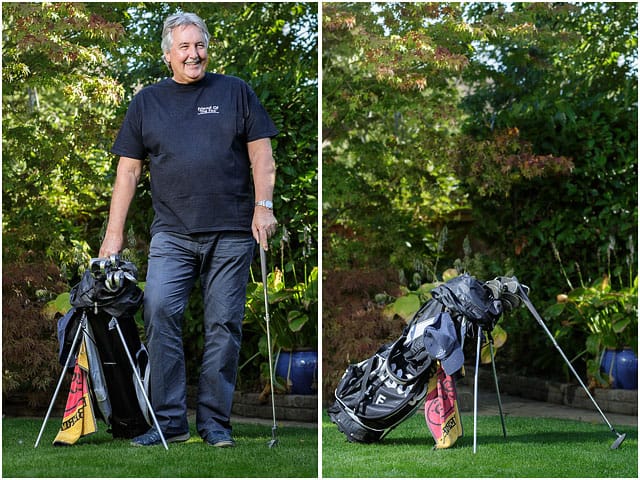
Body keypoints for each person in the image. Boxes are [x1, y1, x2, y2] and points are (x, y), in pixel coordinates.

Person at [99, 11, 279, 447]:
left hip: (233, 233)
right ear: (168, 56)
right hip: (172, 234)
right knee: (159, 312)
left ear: (207, 48)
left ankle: (215, 424)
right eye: (184, 47)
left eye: (199, 45)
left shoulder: (235, 91)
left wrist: (263, 207)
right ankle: (169, 424)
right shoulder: (147, 102)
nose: (193, 54)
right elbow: (128, 172)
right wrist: (114, 235)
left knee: (224, 326)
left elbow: (262, 157)